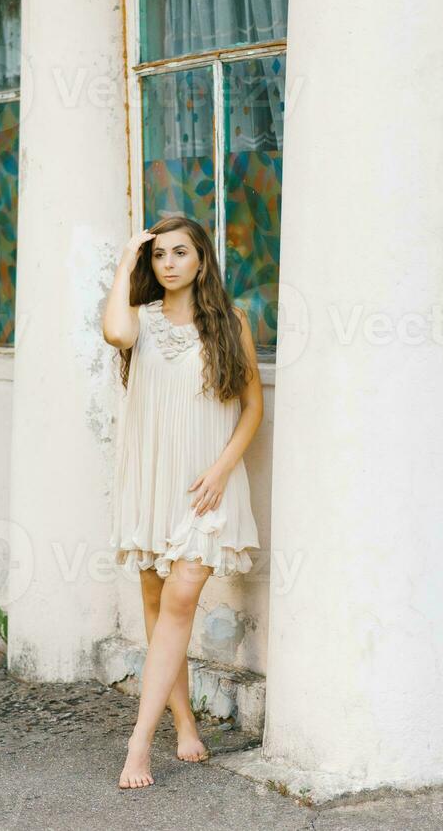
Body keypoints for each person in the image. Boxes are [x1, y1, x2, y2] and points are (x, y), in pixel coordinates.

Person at [102, 214, 263, 790]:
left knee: (179, 602)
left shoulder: (229, 322)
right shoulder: (139, 323)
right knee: (155, 601)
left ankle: (138, 744)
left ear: (201, 261)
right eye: (158, 255)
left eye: (180, 253)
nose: (168, 263)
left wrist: (221, 470)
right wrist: (125, 263)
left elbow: (251, 409)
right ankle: (185, 721)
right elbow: (114, 334)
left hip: (205, 487)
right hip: (152, 483)